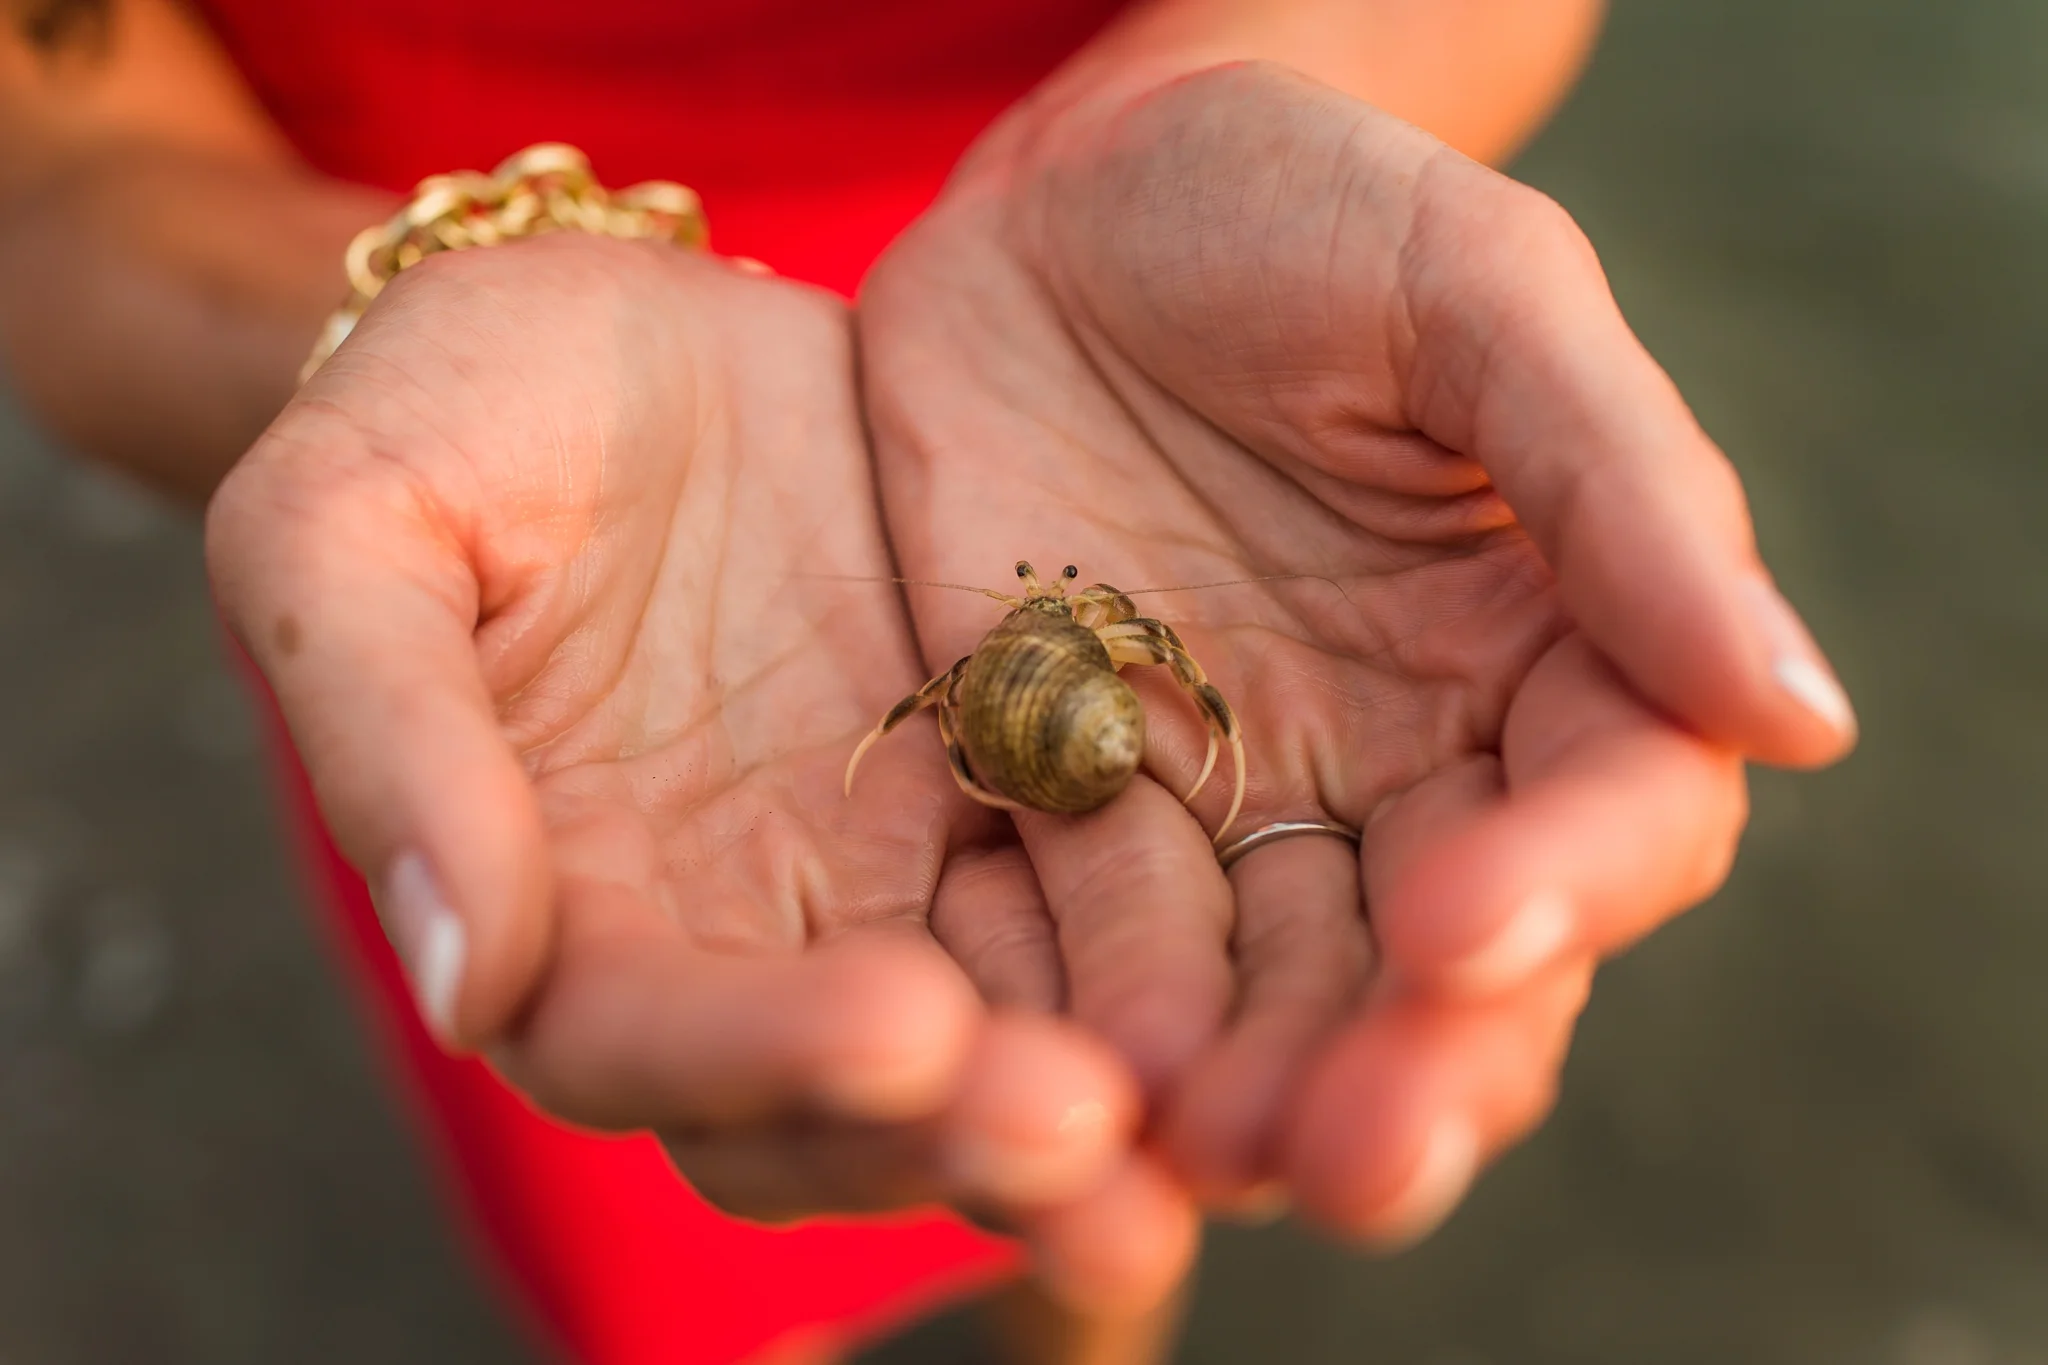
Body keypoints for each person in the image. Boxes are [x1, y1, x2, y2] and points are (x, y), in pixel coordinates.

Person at [0, 1, 1858, 1362]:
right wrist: (391, 335)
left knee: (1119, 1116)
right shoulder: (987, 676)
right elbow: (62, 173)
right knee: (719, 1151)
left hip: (1131, 327)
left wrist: (1234, 102)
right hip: (566, 517)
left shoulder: (1045, 640)